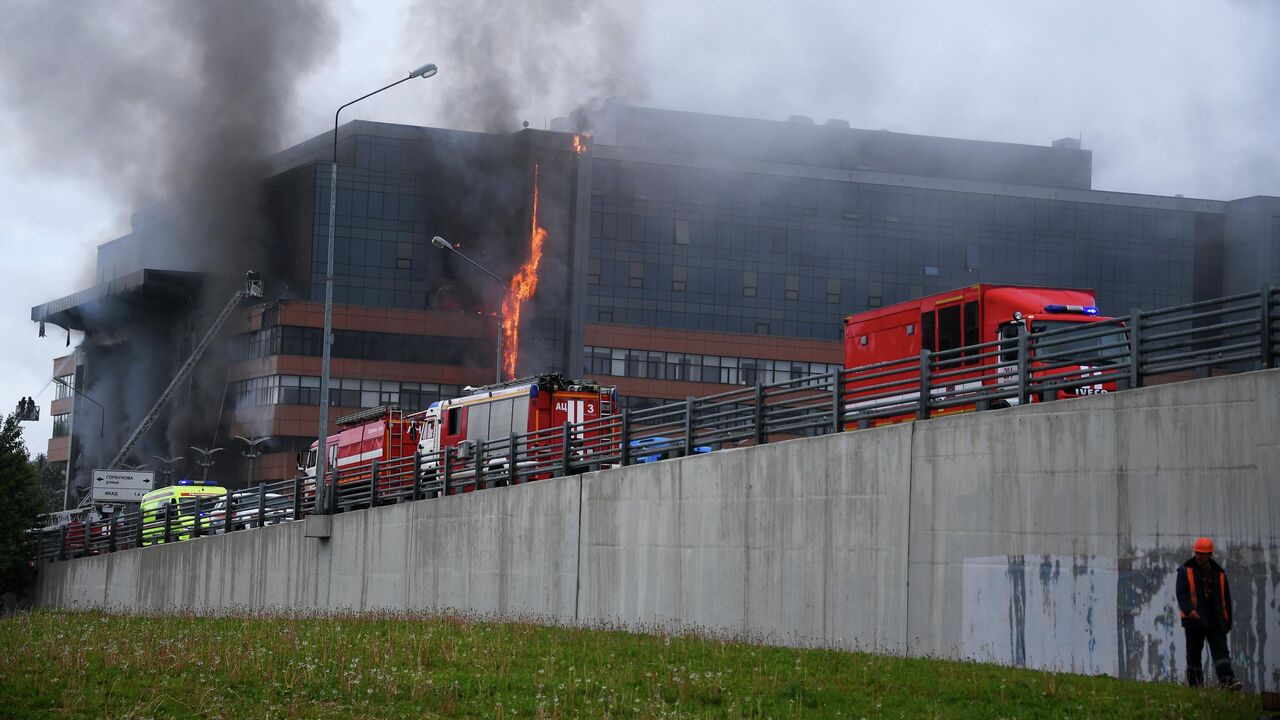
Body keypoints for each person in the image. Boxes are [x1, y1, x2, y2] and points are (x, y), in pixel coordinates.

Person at [1175, 536, 1241, 689]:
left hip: (1215, 621)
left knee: (1221, 654)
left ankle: (1227, 681)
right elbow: (1181, 594)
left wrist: (1227, 622)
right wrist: (1190, 611)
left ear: (1210, 554)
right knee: (1193, 655)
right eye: (1197, 552)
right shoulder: (1186, 571)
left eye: (1203, 553)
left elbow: (1226, 600)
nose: (1199, 556)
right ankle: (1196, 686)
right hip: (1195, 621)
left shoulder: (1220, 575)